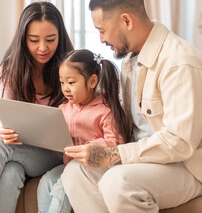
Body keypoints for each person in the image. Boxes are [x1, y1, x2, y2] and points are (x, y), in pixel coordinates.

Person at [61, 0, 202, 213]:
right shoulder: (130, 61)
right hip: (148, 162)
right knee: (76, 172)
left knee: (118, 182)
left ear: (126, 21)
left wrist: (114, 155)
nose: (101, 40)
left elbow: (179, 143)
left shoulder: (180, 63)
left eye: (102, 30)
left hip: (190, 167)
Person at [0, 1, 73, 213]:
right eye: (34, 40)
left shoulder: (71, 67)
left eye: (51, 39)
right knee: (10, 172)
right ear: (23, 39)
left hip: (58, 153)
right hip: (21, 152)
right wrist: (5, 131)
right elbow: (4, 123)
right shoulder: (10, 68)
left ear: (60, 37)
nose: (43, 48)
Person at [37, 49, 131, 213]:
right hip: (68, 165)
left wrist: (90, 146)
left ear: (92, 81)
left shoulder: (105, 111)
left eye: (71, 82)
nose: (65, 88)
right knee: (46, 181)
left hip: (94, 168)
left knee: (62, 187)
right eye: (62, 82)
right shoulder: (63, 109)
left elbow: (116, 143)